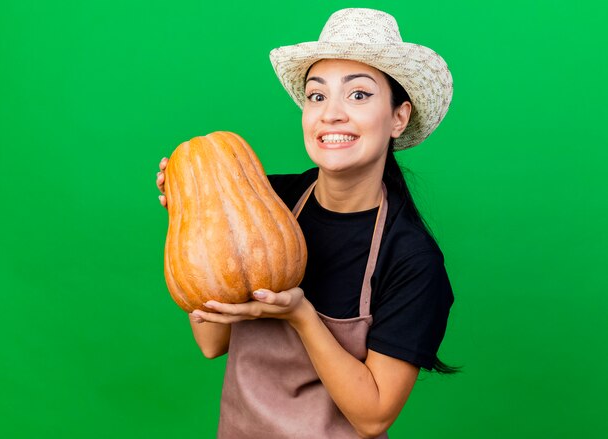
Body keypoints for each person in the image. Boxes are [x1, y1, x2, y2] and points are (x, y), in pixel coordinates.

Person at [156, 8, 459, 438]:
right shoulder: (264, 198)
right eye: (317, 96)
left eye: (358, 95)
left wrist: (301, 315)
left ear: (398, 117)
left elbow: (373, 417)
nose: (331, 114)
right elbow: (212, 343)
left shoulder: (411, 259)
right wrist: (191, 212)